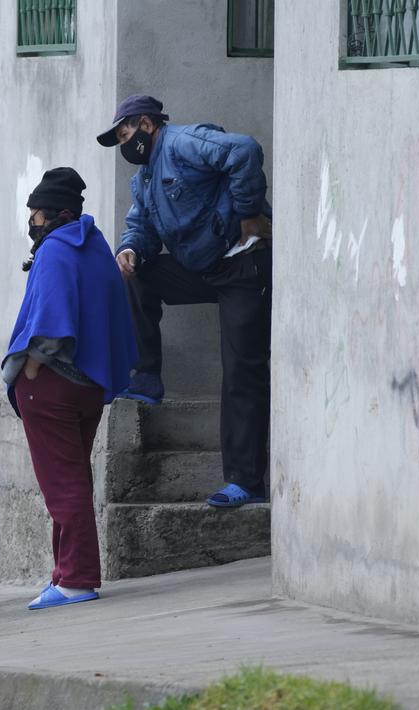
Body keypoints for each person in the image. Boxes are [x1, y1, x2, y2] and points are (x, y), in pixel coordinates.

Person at [96, 95, 273, 509]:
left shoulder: (182, 141)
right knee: (134, 276)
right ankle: (146, 378)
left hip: (242, 265)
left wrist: (249, 214)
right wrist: (130, 251)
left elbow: (243, 150)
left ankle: (246, 482)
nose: (124, 144)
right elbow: (139, 226)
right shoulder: (142, 181)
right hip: (201, 268)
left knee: (242, 370)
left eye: (125, 134)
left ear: (147, 124)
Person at [2, 167, 137, 610]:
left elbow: (50, 318)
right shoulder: (93, 243)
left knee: (63, 486)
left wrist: (34, 366)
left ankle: (77, 579)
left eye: (36, 214)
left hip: (52, 387)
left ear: (54, 213)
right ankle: (64, 573)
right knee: (74, 477)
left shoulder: (56, 250)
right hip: (86, 387)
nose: (32, 222)